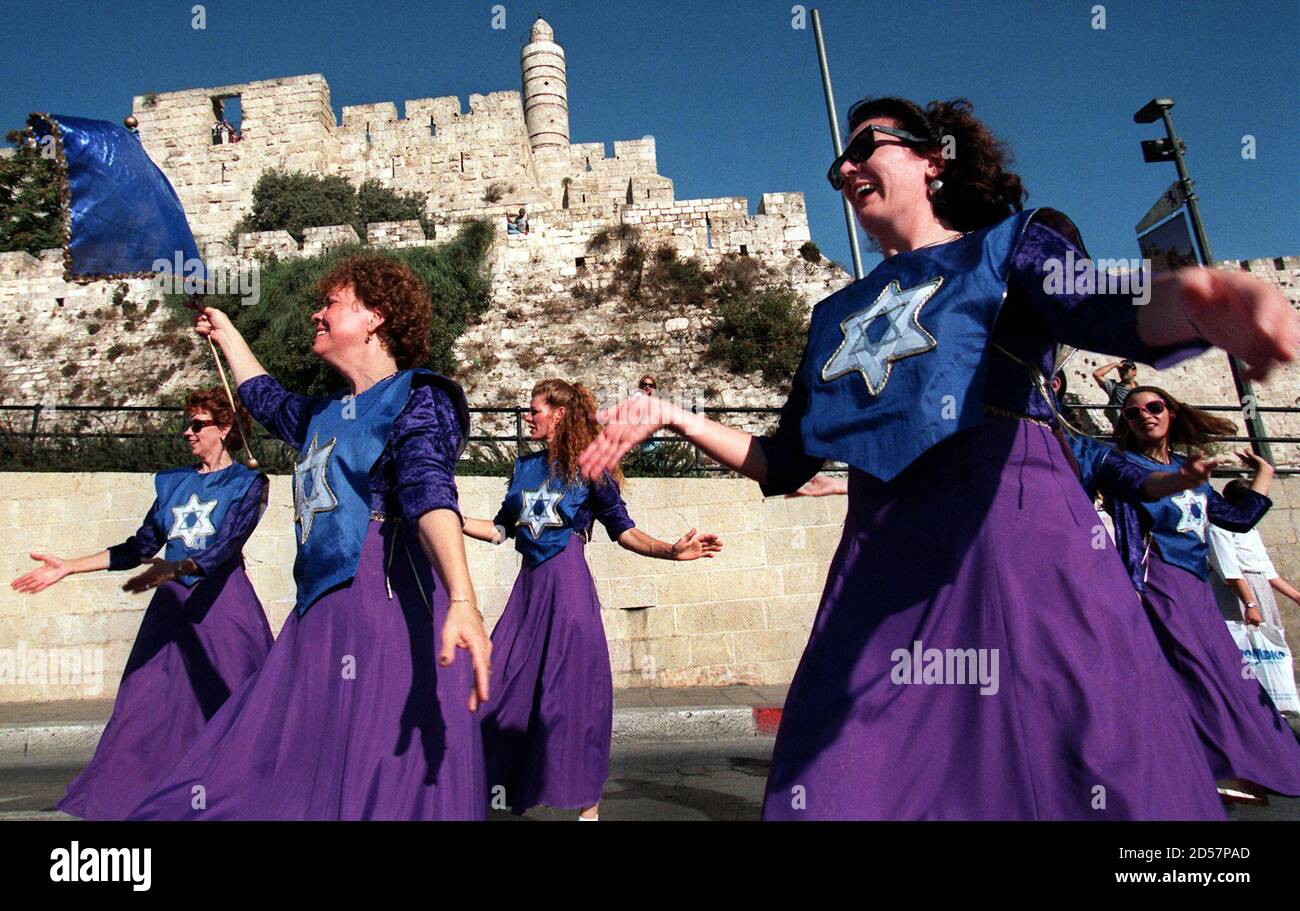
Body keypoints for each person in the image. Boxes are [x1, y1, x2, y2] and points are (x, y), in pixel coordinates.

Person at [579, 95, 1300, 820]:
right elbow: (783, 461)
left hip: (1016, 553)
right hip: (881, 577)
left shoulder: (1010, 246)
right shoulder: (834, 317)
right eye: (840, 162)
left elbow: (1102, 305)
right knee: (840, 780)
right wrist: (671, 414)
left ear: (933, 159)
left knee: (1071, 771)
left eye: (868, 146)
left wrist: (1198, 298)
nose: (848, 167)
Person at [128, 255, 492, 820]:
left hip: (385, 605)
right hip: (317, 612)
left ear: (375, 317)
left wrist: (463, 600)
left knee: (378, 769)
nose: (316, 313)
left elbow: (429, 494)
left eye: (331, 304)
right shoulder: (324, 413)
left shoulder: (420, 396)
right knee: (275, 766)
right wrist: (226, 332)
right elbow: (265, 399)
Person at [462, 378, 721, 820]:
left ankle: (588, 811)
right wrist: (446, 514)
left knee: (572, 698)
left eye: (535, 410)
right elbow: (499, 529)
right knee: (497, 685)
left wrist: (671, 551)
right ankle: (495, 789)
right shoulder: (523, 467)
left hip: (569, 590)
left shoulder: (591, 467)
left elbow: (624, 530)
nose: (528, 418)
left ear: (558, 414)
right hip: (528, 593)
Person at [11, 387, 272, 819]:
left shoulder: (247, 484)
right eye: (186, 423)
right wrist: (69, 567)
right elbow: (140, 546)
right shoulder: (174, 484)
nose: (187, 432)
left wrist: (173, 568)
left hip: (223, 609)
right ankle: (136, 797)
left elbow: (225, 546)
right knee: (144, 706)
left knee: (237, 705)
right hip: (171, 610)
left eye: (197, 424)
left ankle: (243, 798)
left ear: (224, 429)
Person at [1094, 385, 1300, 798]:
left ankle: (1250, 766)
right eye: (1133, 414)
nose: (1145, 416)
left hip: (1196, 587)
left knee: (1229, 675)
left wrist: (1265, 474)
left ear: (1170, 412)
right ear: (1126, 424)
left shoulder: (1193, 472)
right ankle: (1209, 768)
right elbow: (1124, 524)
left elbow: (1238, 520)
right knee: (1190, 671)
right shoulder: (1125, 469)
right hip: (1157, 581)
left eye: (1153, 407)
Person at [1093, 359, 1139, 427]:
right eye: (1120, 369)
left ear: (1134, 372)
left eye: (1126, 369)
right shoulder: (1114, 387)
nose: (1122, 371)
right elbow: (1097, 374)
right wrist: (1115, 364)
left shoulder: (1141, 390)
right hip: (1123, 427)